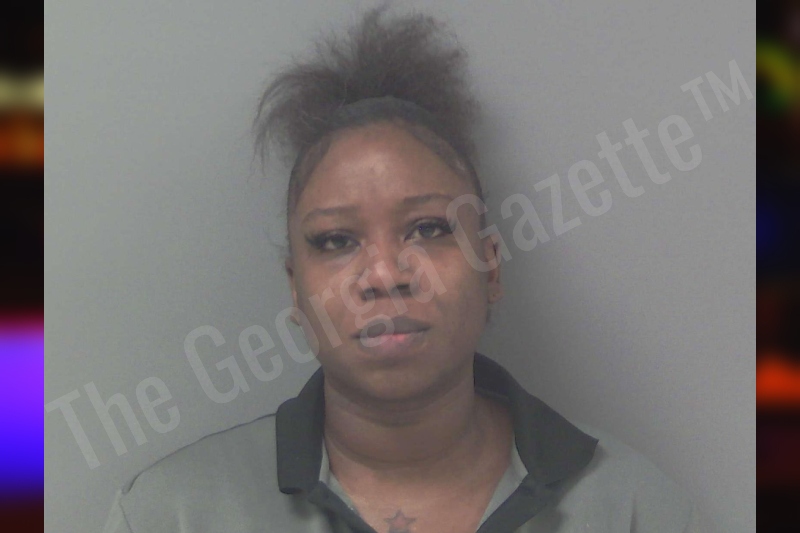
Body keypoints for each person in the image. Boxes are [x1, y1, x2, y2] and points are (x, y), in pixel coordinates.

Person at [103, 5, 709, 532]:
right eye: (337, 240)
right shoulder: (171, 515)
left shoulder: (634, 509)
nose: (384, 274)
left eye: (428, 229)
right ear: (295, 290)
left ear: (490, 266)